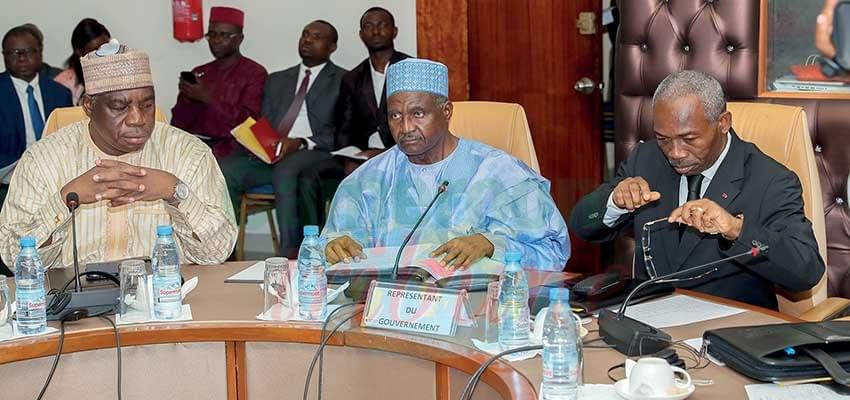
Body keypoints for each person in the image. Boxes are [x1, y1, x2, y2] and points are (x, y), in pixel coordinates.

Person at [569, 70, 825, 309]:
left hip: (728, 328)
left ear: (723, 123)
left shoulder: (771, 180)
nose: (675, 153)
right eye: (664, 139)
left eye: (689, 139)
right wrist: (614, 201)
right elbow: (582, 225)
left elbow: (807, 271)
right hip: (650, 319)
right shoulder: (646, 159)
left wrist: (736, 229)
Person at [0, 42, 237, 269]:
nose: (137, 119)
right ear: (89, 106)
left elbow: (218, 251)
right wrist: (64, 201)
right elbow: (14, 257)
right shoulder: (43, 160)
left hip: (164, 291)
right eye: (119, 107)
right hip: (73, 294)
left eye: (147, 105)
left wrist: (175, 192)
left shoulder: (188, 153)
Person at [322, 58, 569, 271]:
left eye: (418, 114)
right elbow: (317, 253)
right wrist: (331, 249)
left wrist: (491, 245)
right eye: (395, 116)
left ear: (447, 111)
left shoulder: (502, 174)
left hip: (477, 306)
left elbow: (553, 252)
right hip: (385, 307)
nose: (406, 128)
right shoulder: (366, 181)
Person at [220, 20, 346, 258]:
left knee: (286, 170)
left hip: (314, 151)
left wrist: (299, 142)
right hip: (272, 152)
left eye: (317, 37)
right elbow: (266, 121)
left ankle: (290, 254)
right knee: (226, 169)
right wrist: (256, 141)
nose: (308, 40)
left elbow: (341, 132)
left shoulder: (343, 80)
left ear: (332, 47)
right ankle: (226, 249)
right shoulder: (277, 79)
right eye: (305, 34)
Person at [307, 7, 412, 213]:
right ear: (361, 34)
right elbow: (344, 126)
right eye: (369, 26)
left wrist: (384, 154)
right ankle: (316, 233)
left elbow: (420, 122)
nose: (375, 31)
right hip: (361, 156)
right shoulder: (352, 77)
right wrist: (350, 157)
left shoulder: (411, 68)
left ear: (394, 31)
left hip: (403, 154)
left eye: (382, 25)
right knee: (310, 176)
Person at [171, 6, 267, 158]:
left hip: (231, 147)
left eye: (224, 35)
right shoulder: (201, 71)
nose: (216, 41)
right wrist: (187, 99)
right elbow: (178, 122)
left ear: (240, 39)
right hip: (193, 144)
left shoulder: (255, 73)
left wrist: (207, 97)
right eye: (212, 34)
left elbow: (248, 124)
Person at [0, 25, 73, 207]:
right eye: (15, 53)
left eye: (29, 51)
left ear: (40, 52)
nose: (22, 58)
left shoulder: (60, 93)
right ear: (4, 56)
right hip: (8, 183)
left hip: (55, 181)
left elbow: (71, 139)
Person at [54, 18, 111, 105]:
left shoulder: (121, 75)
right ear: (80, 52)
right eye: (96, 51)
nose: (104, 55)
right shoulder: (63, 84)